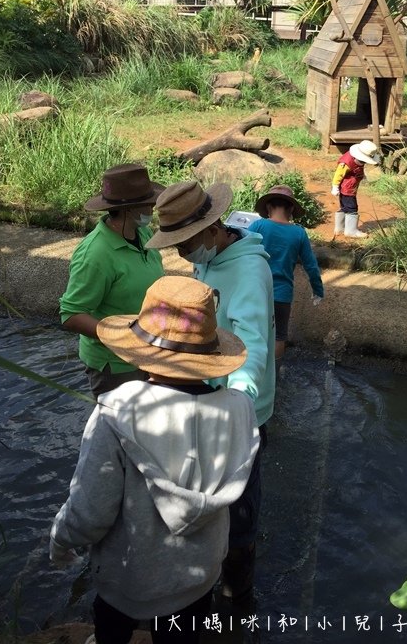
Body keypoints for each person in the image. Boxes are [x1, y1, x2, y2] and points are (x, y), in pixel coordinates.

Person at [50, 275, 259, 644]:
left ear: (141, 352)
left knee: (111, 629)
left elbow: (91, 510)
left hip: (128, 580)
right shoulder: (238, 409)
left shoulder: (119, 409)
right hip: (198, 576)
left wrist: (61, 539)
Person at [146, 180, 275, 605]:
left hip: (241, 407)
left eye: (186, 243)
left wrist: (238, 402)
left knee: (240, 509)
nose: (182, 254)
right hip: (208, 395)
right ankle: (208, 578)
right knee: (206, 499)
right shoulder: (211, 257)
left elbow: (253, 346)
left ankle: (238, 593)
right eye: (176, 245)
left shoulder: (248, 270)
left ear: (213, 226)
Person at [59, 163, 165, 398]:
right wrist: (122, 337)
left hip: (149, 354)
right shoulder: (95, 255)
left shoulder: (142, 233)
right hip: (115, 365)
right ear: (129, 209)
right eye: (148, 202)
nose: (153, 206)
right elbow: (71, 314)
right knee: (121, 432)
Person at [248, 184, 323, 372]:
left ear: (268, 207)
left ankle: (251, 372)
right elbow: (311, 265)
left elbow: (241, 252)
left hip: (256, 290)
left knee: (252, 331)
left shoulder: (258, 226)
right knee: (279, 335)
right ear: (290, 209)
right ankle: (274, 375)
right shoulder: (298, 233)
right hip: (282, 294)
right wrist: (318, 290)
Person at [331, 140, 381, 238]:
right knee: (352, 208)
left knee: (345, 208)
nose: (363, 163)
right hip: (347, 190)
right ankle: (351, 231)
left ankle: (340, 228)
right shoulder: (346, 163)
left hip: (349, 188)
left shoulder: (356, 159)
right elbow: (338, 174)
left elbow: (358, 169)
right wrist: (335, 186)